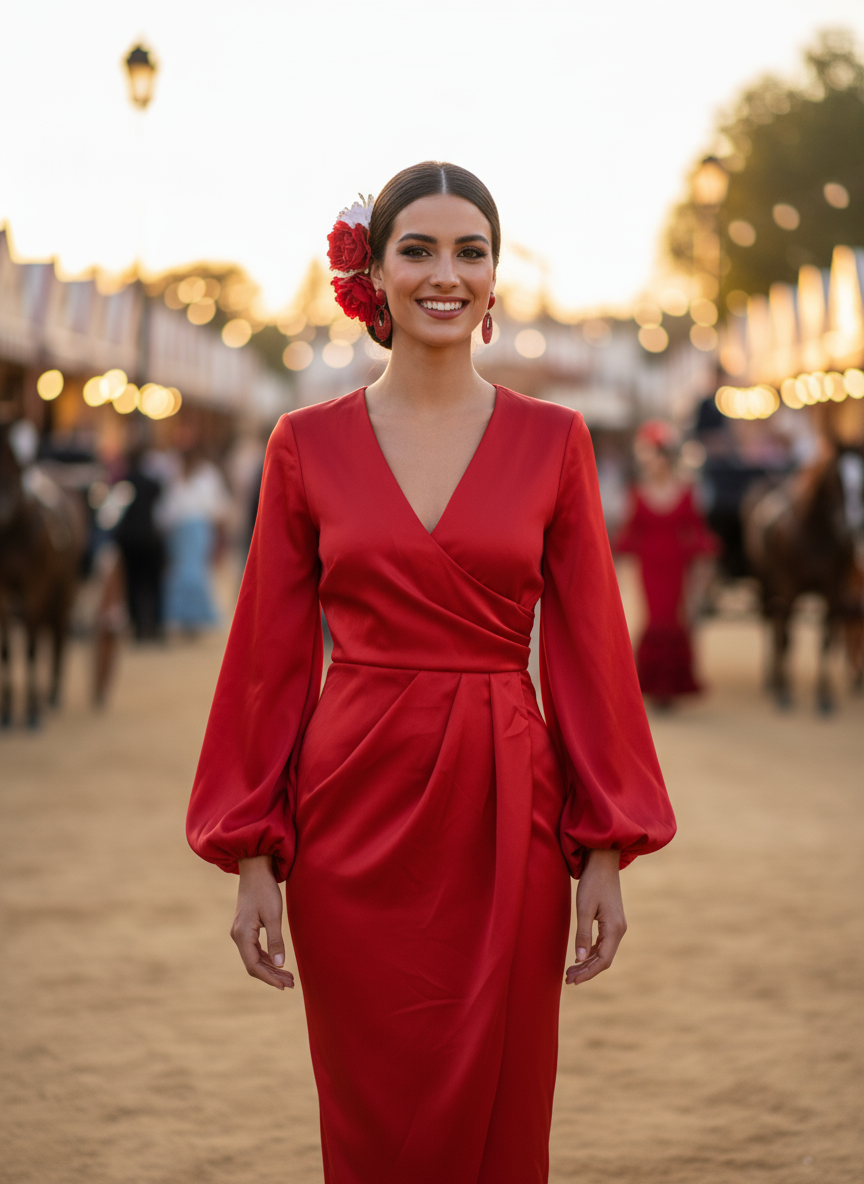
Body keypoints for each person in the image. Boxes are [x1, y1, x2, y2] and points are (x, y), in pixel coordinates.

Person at [187, 162, 676, 1184]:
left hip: (508, 809)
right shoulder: (301, 444)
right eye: (418, 249)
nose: (445, 273)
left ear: (496, 278)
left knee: (501, 1098)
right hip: (348, 808)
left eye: (471, 251)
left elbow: (590, 653)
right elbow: (267, 663)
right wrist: (250, 854)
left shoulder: (558, 440)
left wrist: (604, 848)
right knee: (372, 1112)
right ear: (374, 269)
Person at [616, 420, 719, 706]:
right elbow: (630, 531)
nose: (657, 462)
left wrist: (702, 557)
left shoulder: (686, 492)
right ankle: (651, 681)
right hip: (649, 563)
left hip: (676, 563)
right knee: (654, 616)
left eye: (662, 455)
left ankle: (672, 683)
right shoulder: (637, 493)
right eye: (653, 456)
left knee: (674, 616)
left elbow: (696, 529)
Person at [158, 447, 231, 636]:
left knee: (190, 572)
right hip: (189, 529)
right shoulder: (180, 473)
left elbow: (168, 507)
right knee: (190, 572)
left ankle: (191, 617)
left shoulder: (202, 474)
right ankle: (189, 617)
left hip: (192, 528)